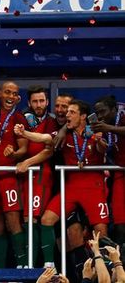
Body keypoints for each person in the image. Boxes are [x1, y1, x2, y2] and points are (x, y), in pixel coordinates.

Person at [39, 100, 109, 269]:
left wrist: (98, 140)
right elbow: (47, 140)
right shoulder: (65, 134)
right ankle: (50, 264)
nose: (67, 115)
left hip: (94, 186)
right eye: (67, 112)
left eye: (72, 112)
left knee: (101, 230)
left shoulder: (96, 131)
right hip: (71, 187)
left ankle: (106, 270)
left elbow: (103, 149)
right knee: (46, 219)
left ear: (83, 116)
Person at [16, 85, 57, 266]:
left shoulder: (52, 122)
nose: (39, 104)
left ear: (47, 102)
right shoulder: (23, 119)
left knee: (34, 217)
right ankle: (28, 263)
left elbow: (49, 149)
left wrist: (27, 162)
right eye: (35, 101)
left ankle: (46, 263)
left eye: (42, 101)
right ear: (29, 103)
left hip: (41, 174)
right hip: (25, 177)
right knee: (26, 219)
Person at [0, 81, 28, 268]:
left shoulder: (19, 118)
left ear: (18, 98)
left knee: (13, 222)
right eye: (7, 92)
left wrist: (14, 154)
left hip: (8, 177)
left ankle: (22, 265)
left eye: (14, 94)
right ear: (0, 94)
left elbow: (24, 148)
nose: (11, 97)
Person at [91, 96, 125, 250]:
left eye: (103, 111)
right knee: (119, 222)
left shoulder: (123, 116)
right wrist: (100, 142)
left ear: (114, 110)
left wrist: (109, 129)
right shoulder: (101, 127)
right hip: (119, 173)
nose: (100, 116)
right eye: (97, 113)